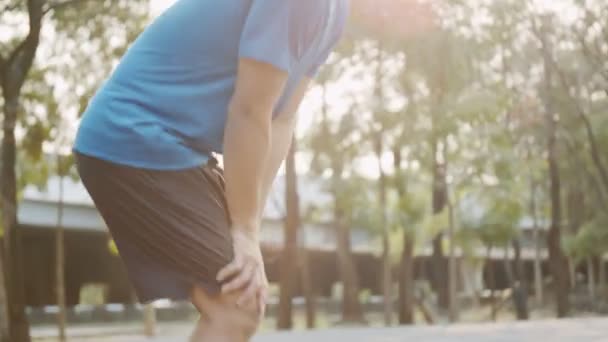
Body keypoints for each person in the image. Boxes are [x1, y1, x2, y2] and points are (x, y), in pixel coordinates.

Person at [72, 0, 348, 341]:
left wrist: (248, 229)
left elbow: (281, 119)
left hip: (172, 148)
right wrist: (244, 233)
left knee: (238, 298)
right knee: (238, 302)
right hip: (133, 138)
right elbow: (249, 111)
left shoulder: (337, 11)